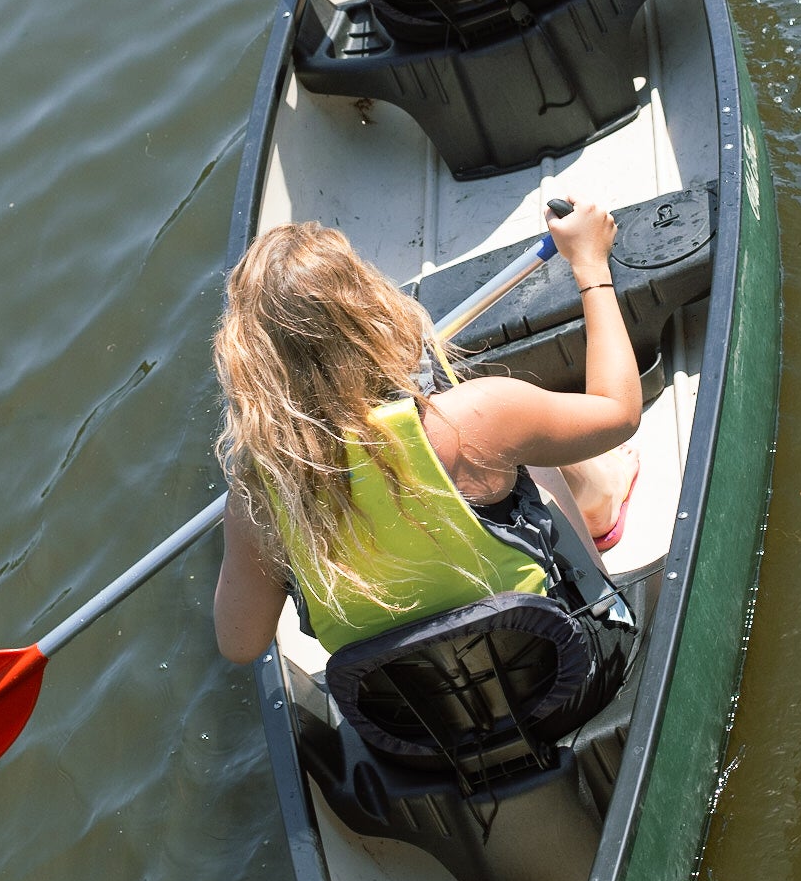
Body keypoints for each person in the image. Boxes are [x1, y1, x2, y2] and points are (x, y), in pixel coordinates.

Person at [211, 201, 641, 663]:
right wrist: (590, 265)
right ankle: (601, 499)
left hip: (413, 728)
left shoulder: (258, 496)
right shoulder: (473, 418)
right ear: (371, 310)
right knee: (526, 455)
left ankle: (599, 497)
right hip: (567, 676)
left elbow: (240, 645)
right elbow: (620, 413)